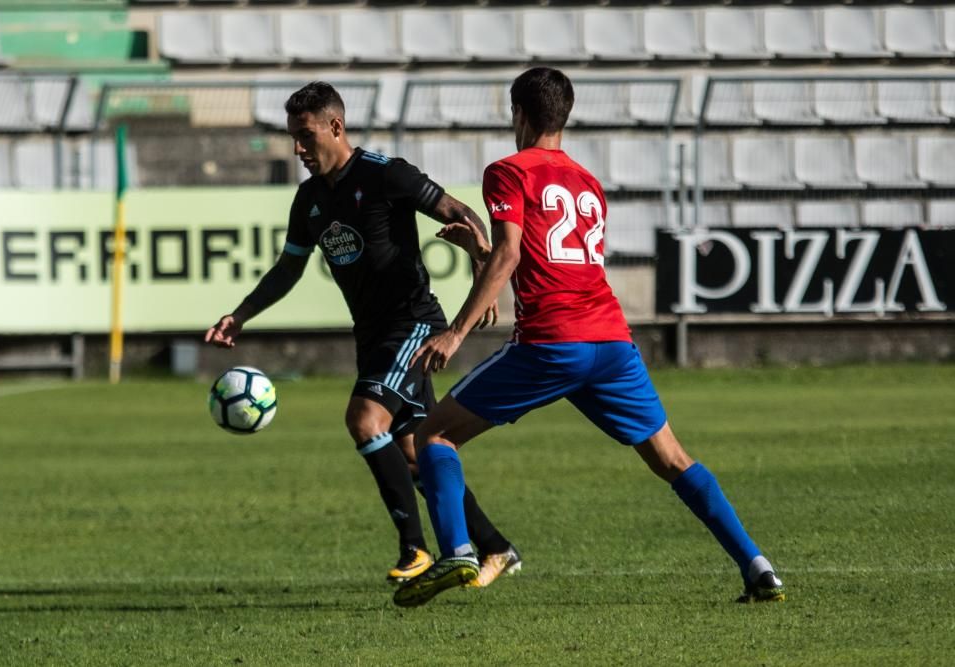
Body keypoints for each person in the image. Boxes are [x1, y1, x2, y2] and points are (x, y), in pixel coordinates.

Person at [393, 67, 784, 607]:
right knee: (672, 458)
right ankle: (757, 566)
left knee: (432, 436)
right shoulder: (587, 180)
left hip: (553, 342)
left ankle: (459, 549)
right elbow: (543, 261)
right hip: (611, 344)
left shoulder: (507, 171)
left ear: (520, 114)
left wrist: (456, 331)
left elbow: (512, 254)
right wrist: (479, 253)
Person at [205, 81, 520, 587]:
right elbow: (288, 270)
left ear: (336, 126)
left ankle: (415, 548)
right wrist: (241, 315)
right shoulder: (309, 200)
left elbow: (460, 213)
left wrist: (483, 261)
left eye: (306, 136)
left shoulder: (385, 174)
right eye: (292, 138)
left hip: (413, 323)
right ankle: (497, 547)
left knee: (364, 419)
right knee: (418, 453)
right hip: (371, 336)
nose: (298, 149)